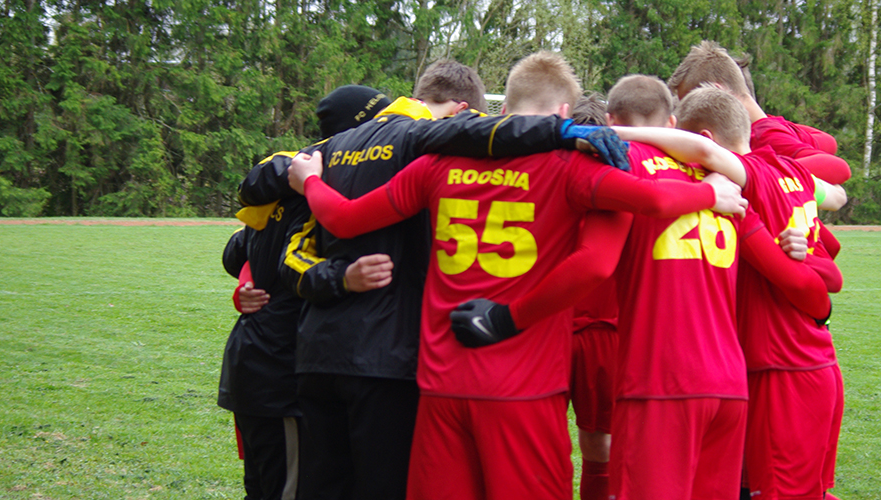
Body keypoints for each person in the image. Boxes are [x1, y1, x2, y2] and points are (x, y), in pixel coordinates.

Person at [286, 51, 751, 500]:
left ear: (503, 110)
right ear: (564, 114)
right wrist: (709, 194)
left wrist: (310, 180)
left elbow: (344, 219)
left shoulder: (436, 165)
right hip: (526, 387)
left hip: (443, 385)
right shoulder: (571, 167)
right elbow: (628, 227)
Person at [254, 59, 632, 500]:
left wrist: (313, 189)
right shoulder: (556, 164)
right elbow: (600, 257)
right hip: (484, 371)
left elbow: (304, 220)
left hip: (380, 362)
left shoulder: (354, 153)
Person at [218, 85, 392, 500]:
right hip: (278, 374)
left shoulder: (287, 187)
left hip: (255, 366)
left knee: (265, 488)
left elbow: (236, 251)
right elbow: (278, 261)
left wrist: (247, 277)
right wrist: (345, 277)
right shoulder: (312, 193)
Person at [675, 85, 845, 500]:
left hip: (781, 370)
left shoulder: (752, 179)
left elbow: (711, 156)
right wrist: (803, 257)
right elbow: (835, 212)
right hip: (808, 362)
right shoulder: (792, 172)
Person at [668, 41, 851, 186]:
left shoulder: (763, 135)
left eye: (690, 102)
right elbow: (829, 142)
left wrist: (758, 174)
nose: (686, 112)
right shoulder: (770, 125)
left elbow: (839, 168)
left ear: (719, 92)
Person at [567, 90, 618, 500]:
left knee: (600, 443)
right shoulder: (547, 179)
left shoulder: (619, 187)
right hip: (554, 328)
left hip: (599, 328)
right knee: (593, 444)